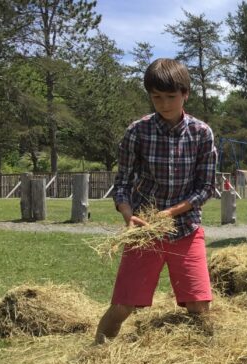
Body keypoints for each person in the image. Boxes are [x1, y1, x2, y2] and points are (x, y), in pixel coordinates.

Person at [95, 58, 217, 344]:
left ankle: (205, 357)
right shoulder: (137, 131)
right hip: (145, 231)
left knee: (199, 305)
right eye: (157, 97)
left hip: (186, 229)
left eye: (171, 97)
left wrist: (171, 212)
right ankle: (96, 354)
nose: (164, 104)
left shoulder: (201, 133)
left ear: (185, 94)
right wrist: (128, 215)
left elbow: (206, 188)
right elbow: (122, 184)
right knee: (123, 305)